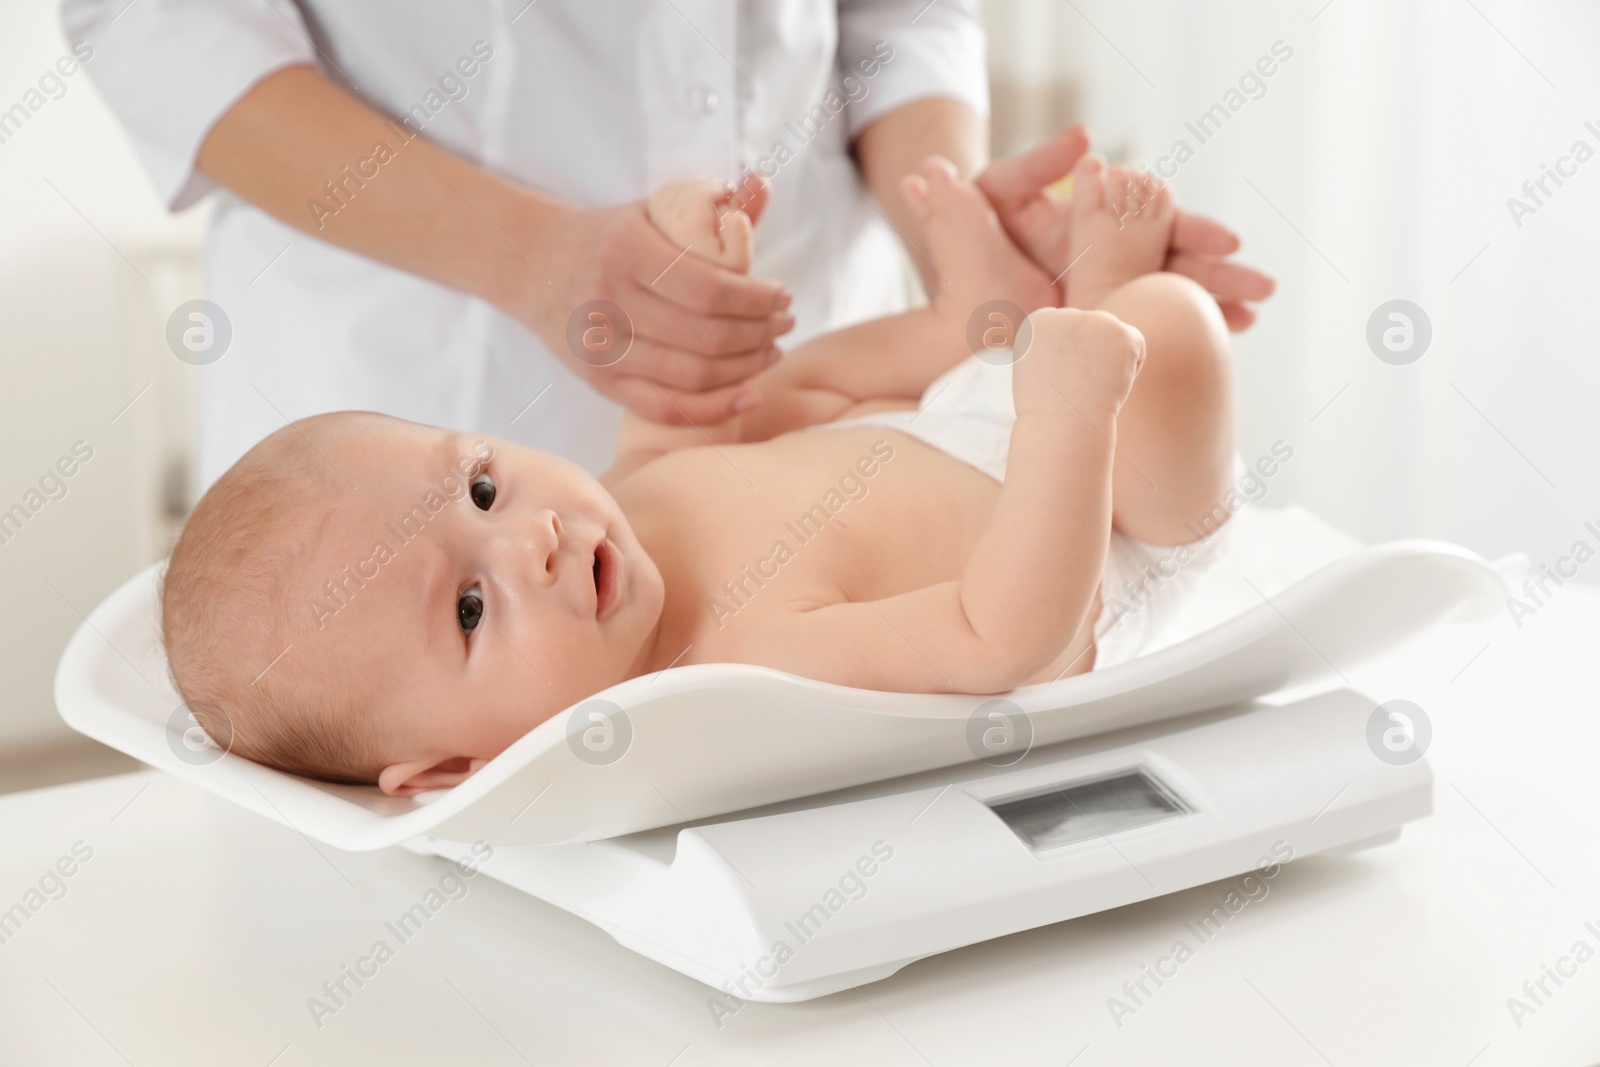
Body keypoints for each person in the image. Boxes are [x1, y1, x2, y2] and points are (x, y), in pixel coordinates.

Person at [159, 152, 1241, 795]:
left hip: (962, 413)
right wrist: (1066, 411)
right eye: (471, 606)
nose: (525, 538)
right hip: (1093, 523)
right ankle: (1099, 297)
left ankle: (980, 325)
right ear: (452, 771)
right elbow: (1009, 641)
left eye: (482, 488)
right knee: (1176, 331)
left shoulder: (622, 512)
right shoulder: (739, 665)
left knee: (757, 404)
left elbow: (686, 420)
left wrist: (693, 276)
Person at [64, 0, 1271, 489]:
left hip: (828, 389)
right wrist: (531, 259)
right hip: (414, 399)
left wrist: (950, 219)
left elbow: (892, 13)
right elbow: (164, 23)